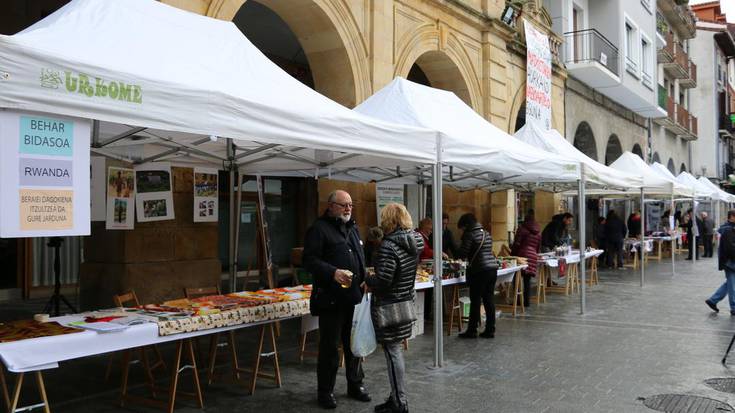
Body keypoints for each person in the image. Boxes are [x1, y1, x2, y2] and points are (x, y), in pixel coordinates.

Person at [303, 190, 370, 409]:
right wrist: (332, 272)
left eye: (350, 205)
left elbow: (360, 258)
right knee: (330, 348)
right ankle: (325, 391)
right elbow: (309, 260)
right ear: (331, 206)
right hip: (331, 300)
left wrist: (366, 278)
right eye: (343, 205)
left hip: (354, 298)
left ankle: (355, 384)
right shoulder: (319, 229)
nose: (348, 209)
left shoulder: (353, 228)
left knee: (353, 345)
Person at [366, 203, 423, 413]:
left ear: (389, 220)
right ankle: (396, 397)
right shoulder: (414, 241)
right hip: (404, 302)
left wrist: (366, 277)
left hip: (390, 306)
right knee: (395, 350)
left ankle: (400, 402)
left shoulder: (389, 246)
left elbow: (383, 280)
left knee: (393, 352)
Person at [456, 213, 498, 338]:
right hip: (492, 269)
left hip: (479, 271)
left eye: (462, 228)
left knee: (475, 300)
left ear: (466, 225)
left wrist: (456, 252)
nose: (462, 231)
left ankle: (472, 330)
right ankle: (490, 329)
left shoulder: (470, 234)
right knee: (489, 300)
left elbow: (463, 253)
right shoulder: (486, 233)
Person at [706, 210, 735, 315]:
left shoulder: (729, 228)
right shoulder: (728, 229)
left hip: (729, 260)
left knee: (730, 284)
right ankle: (734, 307)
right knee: (732, 285)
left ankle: (713, 300)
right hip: (730, 261)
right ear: (731, 217)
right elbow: (730, 248)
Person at [511, 210, 541, 307]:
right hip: (533, 256)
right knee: (527, 280)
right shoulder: (538, 231)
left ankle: (518, 300)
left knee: (516, 278)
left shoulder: (522, 229)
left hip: (522, 254)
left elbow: (517, 244)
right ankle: (526, 301)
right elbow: (538, 247)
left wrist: (512, 255)